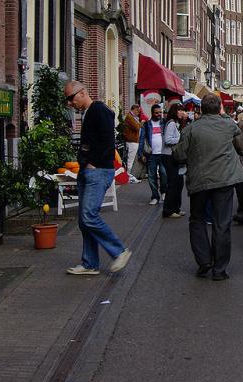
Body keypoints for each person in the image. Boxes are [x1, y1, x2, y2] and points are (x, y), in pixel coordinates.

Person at [173, 93, 243, 281]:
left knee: (197, 220)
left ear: (200, 108)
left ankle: (204, 260)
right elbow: (242, 148)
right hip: (224, 179)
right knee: (222, 223)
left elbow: (179, 155)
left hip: (200, 180)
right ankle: (220, 269)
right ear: (219, 107)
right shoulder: (229, 124)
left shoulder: (191, 128)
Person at [64, 81, 132, 275]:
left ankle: (119, 251)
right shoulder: (89, 112)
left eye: (71, 98)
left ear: (83, 92)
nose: (70, 103)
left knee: (88, 216)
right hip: (90, 169)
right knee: (84, 220)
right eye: (67, 100)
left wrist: (93, 162)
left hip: (97, 170)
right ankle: (90, 263)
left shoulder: (98, 110)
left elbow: (107, 141)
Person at [161, 102, 187, 218]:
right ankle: (168, 210)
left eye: (183, 110)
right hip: (169, 156)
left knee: (179, 183)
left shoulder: (176, 123)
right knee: (173, 183)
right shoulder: (171, 123)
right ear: (175, 112)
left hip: (173, 156)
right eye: (180, 110)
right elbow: (168, 140)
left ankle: (176, 208)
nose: (182, 112)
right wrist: (181, 139)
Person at [139, 104, 167, 205]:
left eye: (160, 112)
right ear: (152, 113)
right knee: (152, 176)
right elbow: (142, 139)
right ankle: (155, 196)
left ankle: (164, 191)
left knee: (164, 174)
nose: (159, 114)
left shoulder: (164, 122)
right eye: (156, 113)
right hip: (151, 154)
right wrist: (140, 153)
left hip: (163, 153)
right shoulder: (147, 124)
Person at [123, 104, 142, 183]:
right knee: (131, 160)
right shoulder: (130, 117)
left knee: (131, 159)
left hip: (133, 141)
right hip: (132, 141)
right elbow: (137, 127)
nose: (138, 113)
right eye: (138, 111)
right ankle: (129, 176)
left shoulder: (131, 117)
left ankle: (129, 176)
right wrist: (141, 123)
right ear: (134, 109)